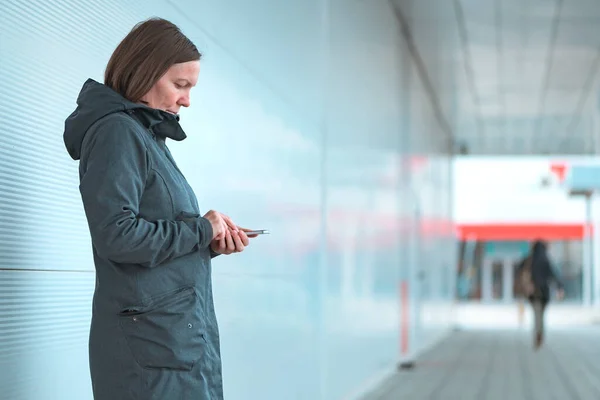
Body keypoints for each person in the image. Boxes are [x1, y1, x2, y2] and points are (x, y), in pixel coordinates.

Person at [63, 17, 256, 400]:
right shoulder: (118, 132)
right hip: (150, 352)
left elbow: (151, 239)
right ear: (144, 72)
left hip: (166, 341)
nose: (186, 99)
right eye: (180, 85)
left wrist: (208, 242)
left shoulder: (145, 135)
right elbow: (117, 235)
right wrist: (200, 229)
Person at [516, 240, 564, 350]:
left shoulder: (529, 259)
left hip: (532, 292)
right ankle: (540, 333)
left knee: (536, 314)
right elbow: (554, 275)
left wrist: (527, 283)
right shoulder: (545, 259)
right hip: (544, 293)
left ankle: (538, 333)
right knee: (541, 314)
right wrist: (559, 287)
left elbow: (519, 270)